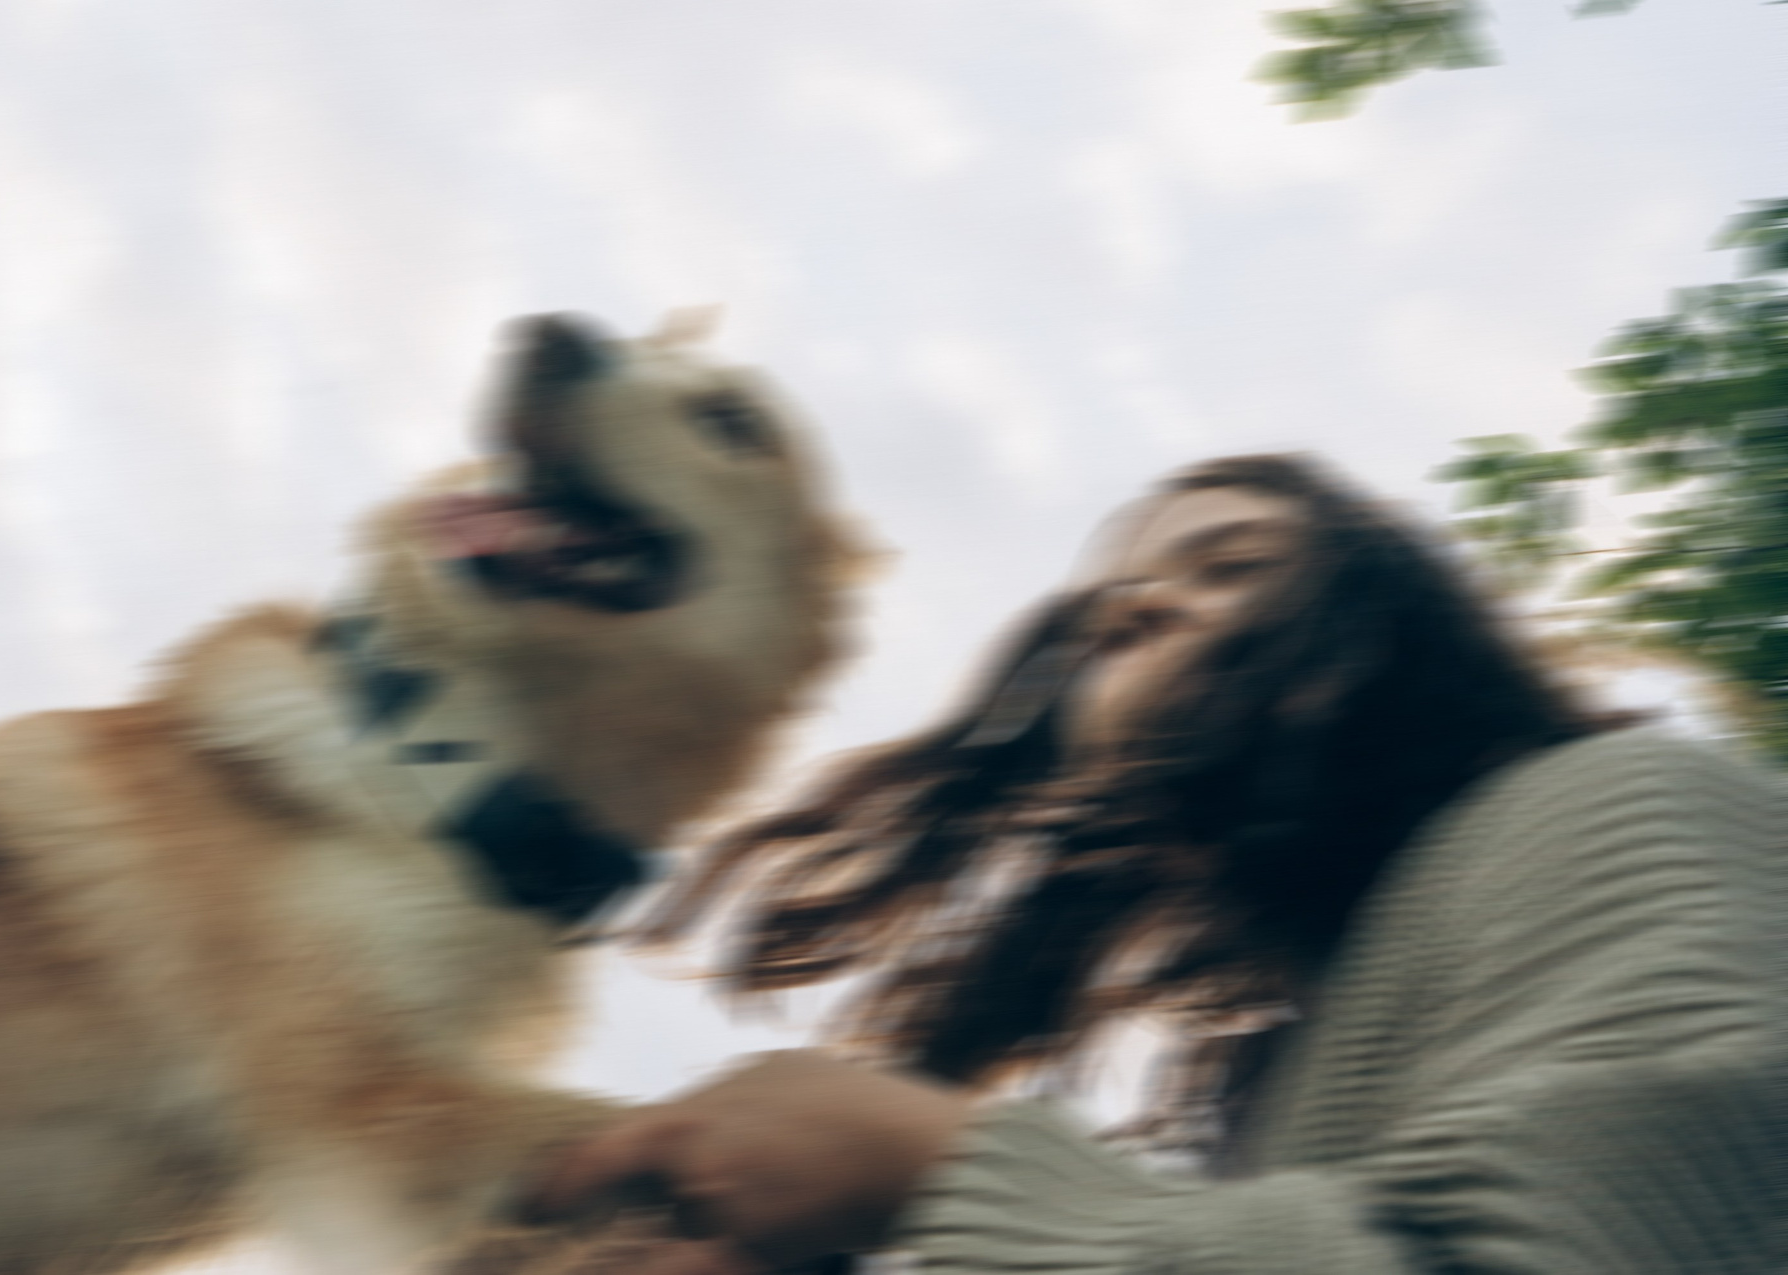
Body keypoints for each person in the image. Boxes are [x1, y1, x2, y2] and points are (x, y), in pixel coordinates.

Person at [523, 454, 1783, 1275]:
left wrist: (934, 1168)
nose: (1129, 610)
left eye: (1228, 565)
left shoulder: (1605, 801)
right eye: (1101, 618)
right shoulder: (1292, 1080)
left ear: (1384, 619)